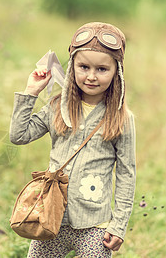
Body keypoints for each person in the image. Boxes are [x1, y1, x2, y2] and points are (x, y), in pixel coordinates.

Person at [10, 22, 136, 257]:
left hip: (95, 225)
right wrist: (31, 92)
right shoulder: (57, 107)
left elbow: (127, 174)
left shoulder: (122, 119)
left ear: (116, 72)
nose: (91, 76)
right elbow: (19, 135)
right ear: (72, 67)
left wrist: (118, 225)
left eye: (101, 69)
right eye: (83, 66)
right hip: (50, 217)